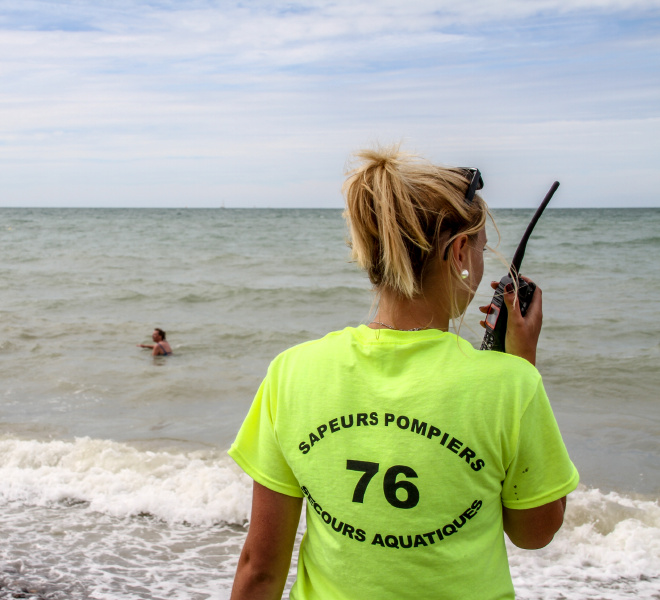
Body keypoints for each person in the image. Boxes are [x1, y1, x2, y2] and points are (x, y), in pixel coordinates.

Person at [228, 146, 578, 600]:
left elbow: (259, 569)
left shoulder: (291, 371)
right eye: (479, 249)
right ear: (459, 252)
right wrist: (521, 360)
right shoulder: (511, 383)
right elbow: (535, 531)